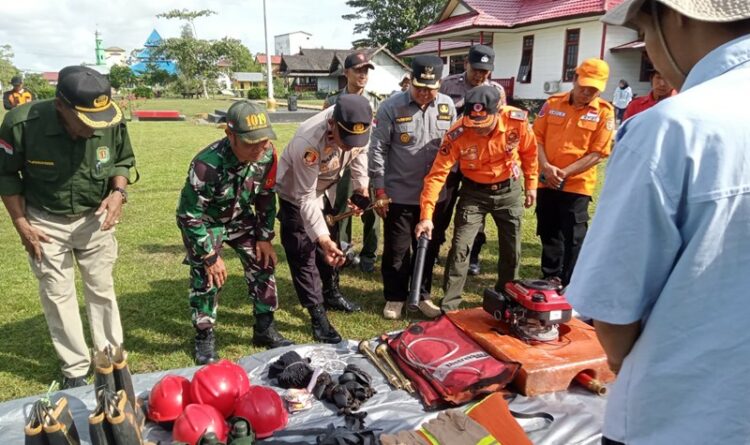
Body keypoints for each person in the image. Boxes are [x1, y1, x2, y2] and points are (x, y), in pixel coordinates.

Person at [567, 1, 750, 443]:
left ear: (678, 16)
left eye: (646, 31)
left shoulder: (671, 129)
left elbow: (612, 314)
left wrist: (617, 358)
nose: (650, 49)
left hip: (680, 414)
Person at [0, 66, 135, 388]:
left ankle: (110, 359)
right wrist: (22, 223)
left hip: (95, 217)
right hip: (44, 220)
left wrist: (118, 192)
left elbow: (122, 160)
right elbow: (6, 175)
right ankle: (75, 369)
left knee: (101, 288)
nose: (95, 128)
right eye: (86, 120)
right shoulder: (21, 123)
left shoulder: (109, 119)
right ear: (61, 105)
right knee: (57, 293)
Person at [176, 100, 293, 365]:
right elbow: (189, 216)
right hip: (207, 223)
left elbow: (265, 196)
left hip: (241, 218)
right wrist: (208, 257)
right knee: (208, 277)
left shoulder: (267, 155)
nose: (260, 147)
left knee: (264, 263)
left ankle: (264, 327)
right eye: (252, 142)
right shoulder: (206, 165)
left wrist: (264, 237)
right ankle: (204, 335)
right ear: (230, 136)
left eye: (264, 140)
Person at [416, 85, 538, 312]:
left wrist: (531, 185)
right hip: (474, 193)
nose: (478, 130)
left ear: (498, 110)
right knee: (461, 246)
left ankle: (507, 298)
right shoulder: (458, 132)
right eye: (473, 124)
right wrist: (426, 216)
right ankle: (450, 306)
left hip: (508, 191)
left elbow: (530, 153)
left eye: (483, 124)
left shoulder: (517, 121)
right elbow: (436, 175)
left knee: (512, 248)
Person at [276, 94, 373, 343]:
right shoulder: (308, 142)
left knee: (330, 246)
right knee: (304, 251)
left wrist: (361, 188)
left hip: (326, 188)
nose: (350, 145)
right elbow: (306, 198)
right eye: (346, 139)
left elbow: (360, 152)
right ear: (333, 124)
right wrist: (321, 238)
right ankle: (317, 316)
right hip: (296, 195)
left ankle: (331, 293)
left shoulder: (361, 122)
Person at [369, 55, 455, 320]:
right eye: (419, 87)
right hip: (399, 193)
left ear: (439, 85)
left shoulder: (448, 106)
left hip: (435, 195)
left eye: (430, 88)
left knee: (428, 246)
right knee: (397, 248)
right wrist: (380, 189)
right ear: (410, 81)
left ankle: (423, 294)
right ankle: (395, 297)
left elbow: (454, 146)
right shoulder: (390, 107)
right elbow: (378, 149)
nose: (424, 93)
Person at [532, 58, 615, 287]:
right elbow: (536, 138)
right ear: (575, 79)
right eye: (583, 86)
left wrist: (564, 173)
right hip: (546, 180)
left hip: (577, 184)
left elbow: (598, 152)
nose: (586, 93)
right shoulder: (552, 104)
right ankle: (550, 277)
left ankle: (571, 282)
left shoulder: (604, 114)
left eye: (593, 89)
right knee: (548, 230)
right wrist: (547, 167)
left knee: (574, 236)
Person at [439, 45, 507, 276]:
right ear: (466, 63)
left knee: (475, 212)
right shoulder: (448, 84)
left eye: (484, 71)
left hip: (478, 162)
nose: (479, 75)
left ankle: (473, 254)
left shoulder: (496, 90)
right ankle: (436, 246)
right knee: (442, 206)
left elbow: (501, 124)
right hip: (451, 158)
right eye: (476, 69)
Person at [324, 51, 380, 273]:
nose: (363, 74)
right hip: (341, 163)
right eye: (358, 70)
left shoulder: (376, 100)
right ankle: (344, 250)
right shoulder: (332, 101)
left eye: (366, 70)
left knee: (371, 210)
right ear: (346, 72)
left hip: (369, 161)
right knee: (342, 210)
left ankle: (369, 255)